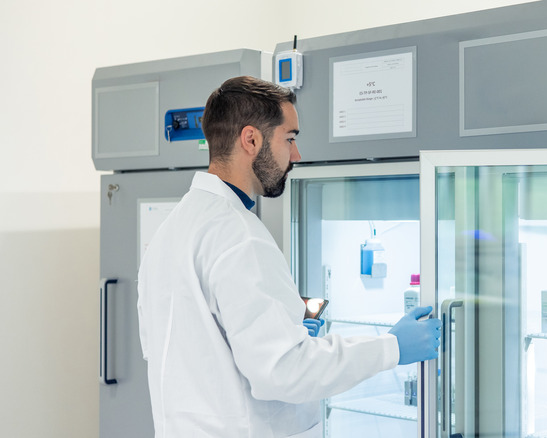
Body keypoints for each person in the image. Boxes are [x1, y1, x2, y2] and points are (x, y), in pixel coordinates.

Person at [137, 76, 442, 438]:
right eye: (290, 138)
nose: (296, 155)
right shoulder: (238, 235)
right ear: (251, 139)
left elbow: (200, 351)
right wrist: (391, 347)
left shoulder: (172, 230)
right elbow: (284, 372)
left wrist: (285, 331)